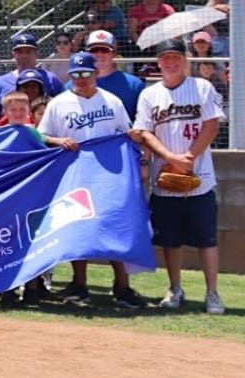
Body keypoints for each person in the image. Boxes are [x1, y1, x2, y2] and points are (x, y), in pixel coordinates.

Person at [37, 51, 145, 309]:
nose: (81, 79)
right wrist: (57, 140)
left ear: (96, 73)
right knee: (80, 230)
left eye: (86, 73)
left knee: (114, 228)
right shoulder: (59, 103)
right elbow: (41, 135)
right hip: (75, 176)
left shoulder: (112, 101)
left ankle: (122, 287)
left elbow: (126, 134)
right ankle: (80, 285)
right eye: (76, 75)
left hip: (110, 176)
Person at [130, 38, 226, 315]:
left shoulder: (201, 87)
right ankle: (175, 288)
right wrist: (171, 159)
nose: (170, 62)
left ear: (184, 59)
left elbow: (211, 126)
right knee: (170, 240)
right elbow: (143, 132)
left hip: (201, 175)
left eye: (175, 57)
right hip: (165, 178)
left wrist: (189, 158)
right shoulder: (150, 95)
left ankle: (212, 293)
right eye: (165, 58)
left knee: (206, 239)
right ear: (158, 62)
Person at [76, 30, 146, 121]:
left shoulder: (134, 85)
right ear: (86, 53)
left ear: (114, 53)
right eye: (94, 50)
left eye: (105, 50)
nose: (99, 54)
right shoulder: (74, 86)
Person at [0, 33, 62, 118]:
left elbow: (61, 109)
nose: (24, 56)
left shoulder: (51, 79)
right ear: (13, 54)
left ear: (37, 53)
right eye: (19, 52)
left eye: (28, 51)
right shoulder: (2, 82)